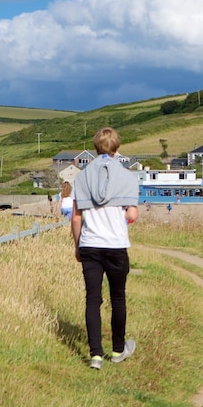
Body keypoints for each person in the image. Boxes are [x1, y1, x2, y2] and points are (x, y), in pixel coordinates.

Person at [72, 127, 139, 370]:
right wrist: (123, 217)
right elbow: (132, 213)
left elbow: (76, 218)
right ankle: (118, 350)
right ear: (117, 148)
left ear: (95, 148)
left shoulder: (82, 177)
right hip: (115, 245)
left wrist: (78, 246)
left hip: (90, 244)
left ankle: (95, 355)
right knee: (118, 298)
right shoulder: (127, 177)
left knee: (92, 299)